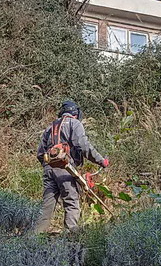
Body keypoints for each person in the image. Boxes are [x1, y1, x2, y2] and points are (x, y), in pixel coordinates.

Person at [35, 100, 109, 233]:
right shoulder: (74, 123)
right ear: (76, 113)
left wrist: (49, 166)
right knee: (71, 202)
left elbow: (40, 153)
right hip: (65, 168)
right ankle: (70, 237)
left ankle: (35, 236)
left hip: (48, 169)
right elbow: (83, 145)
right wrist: (101, 161)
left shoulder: (50, 127)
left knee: (47, 206)